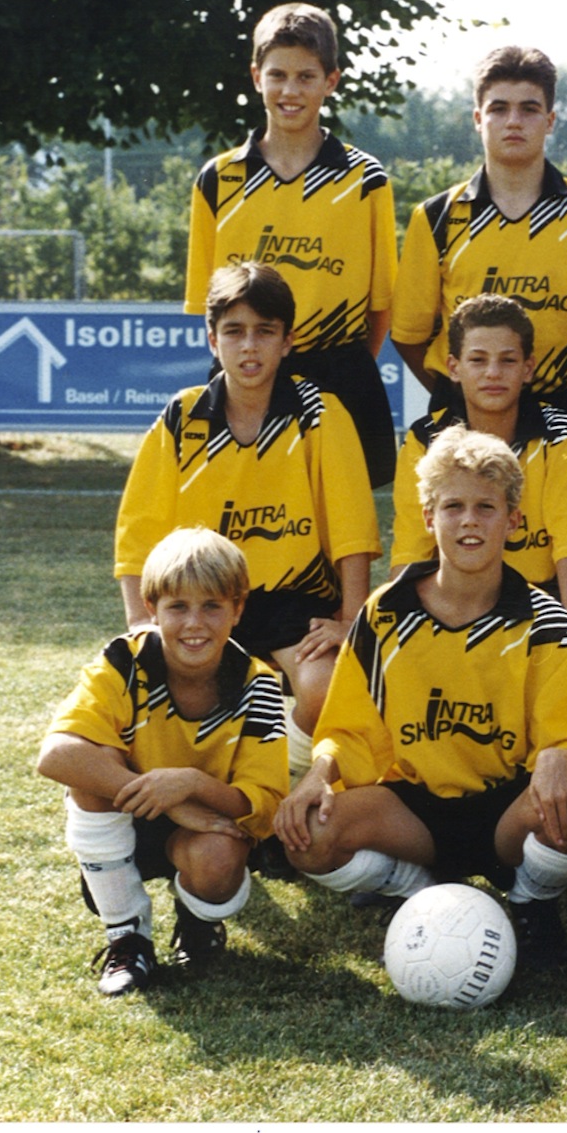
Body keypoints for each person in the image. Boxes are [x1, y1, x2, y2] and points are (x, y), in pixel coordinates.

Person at [272, 427, 567, 970]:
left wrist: (560, 758)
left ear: (514, 520)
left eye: (486, 507)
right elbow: (350, 725)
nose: (470, 521)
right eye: (453, 506)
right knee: (308, 836)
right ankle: (415, 889)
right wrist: (320, 772)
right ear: (429, 518)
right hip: (415, 806)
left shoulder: (547, 622)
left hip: (507, 807)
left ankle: (532, 903)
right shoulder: (386, 614)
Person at [114, 262, 380, 781]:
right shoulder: (182, 417)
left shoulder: (319, 413)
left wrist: (349, 618)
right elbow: (138, 531)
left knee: (327, 688)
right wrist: (139, 621)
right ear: (213, 340)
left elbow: (353, 528)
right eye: (234, 332)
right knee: (157, 707)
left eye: (265, 332)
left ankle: (284, 786)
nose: (250, 347)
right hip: (204, 601)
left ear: (288, 340)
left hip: (294, 602)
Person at [388, 46, 567, 523]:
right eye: (499, 108)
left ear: (550, 119)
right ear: (478, 117)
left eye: (529, 109)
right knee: (460, 556)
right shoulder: (438, 217)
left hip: (565, 408)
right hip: (465, 418)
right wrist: (465, 386)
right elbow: (409, 333)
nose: (513, 121)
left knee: (565, 562)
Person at [38, 528, 289, 995]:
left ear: (238, 607)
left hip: (206, 828)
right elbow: (56, 754)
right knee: (90, 767)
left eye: (212, 605)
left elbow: (265, 805)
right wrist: (166, 797)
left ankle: (196, 922)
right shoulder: (124, 661)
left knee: (217, 855)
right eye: (178, 607)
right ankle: (127, 938)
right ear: (151, 609)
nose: (195, 623)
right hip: (127, 820)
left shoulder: (259, 685)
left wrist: (191, 784)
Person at [184, 2, 400, 486]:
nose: (290, 90)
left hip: (339, 373)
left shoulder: (365, 179)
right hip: (246, 373)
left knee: (340, 532)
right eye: (278, 75)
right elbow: (206, 307)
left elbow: (380, 306)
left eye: (306, 76)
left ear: (331, 81)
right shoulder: (218, 179)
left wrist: (339, 364)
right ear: (257, 76)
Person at [391, 294, 567, 640]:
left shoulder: (561, 435)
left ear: (527, 368)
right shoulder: (425, 439)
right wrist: (391, 621)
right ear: (453, 367)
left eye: (507, 360)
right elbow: (412, 543)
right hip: (453, 595)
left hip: (542, 594)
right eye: (478, 360)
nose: (493, 373)